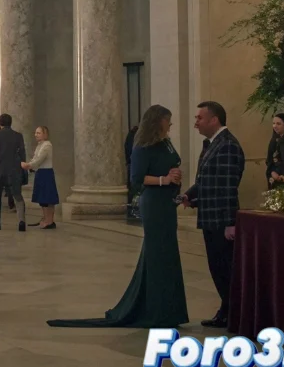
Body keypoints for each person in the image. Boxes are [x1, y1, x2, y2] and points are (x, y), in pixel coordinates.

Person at [48, 105, 188, 328]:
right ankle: (156, 310)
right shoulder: (142, 147)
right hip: (154, 204)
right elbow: (137, 179)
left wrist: (175, 177)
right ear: (157, 121)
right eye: (167, 120)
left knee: (166, 255)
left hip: (167, 204)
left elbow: (172, 165)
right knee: (157, 255)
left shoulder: (166, 143)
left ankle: (170, 309)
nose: (170, 124)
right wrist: (164, 179)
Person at [180, 101, 245, 328]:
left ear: (214, 119)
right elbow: (206, 181)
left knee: (225, 268)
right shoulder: (212, 144)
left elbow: (227, 187)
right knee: (217, 268)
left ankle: (233, 312)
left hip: (221, 220)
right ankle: (226, 310)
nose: (196, 123)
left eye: (200, 118)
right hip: (210, 217)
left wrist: (230, 222)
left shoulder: (227, 145)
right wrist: (189, 196)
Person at [0, 114, 27, 231]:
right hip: (14, 169)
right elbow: (22, 153)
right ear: (11, 123)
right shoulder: (18, 136)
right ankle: (21, 220)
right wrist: (22, 166)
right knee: (17, 195)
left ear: (0, 123)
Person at [23, 125, 58, 229]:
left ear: (45, 134)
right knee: (43, 199)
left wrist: (28, 165)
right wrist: (29, 164)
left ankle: (50, 221)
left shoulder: (47, 145)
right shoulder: (40, 145)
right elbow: (35, 158)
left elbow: (39, 159)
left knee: (49, 198)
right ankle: (46, 219)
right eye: (35, 133)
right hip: (40, 173)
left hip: (46, 173)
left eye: (38, 133)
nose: (36, 135)